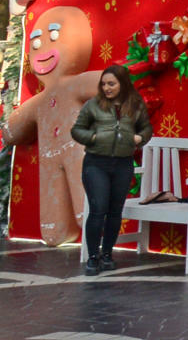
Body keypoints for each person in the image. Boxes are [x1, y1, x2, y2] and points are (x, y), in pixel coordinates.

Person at [69, 64, 153, 274]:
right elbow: (77, 130)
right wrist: (94, 137)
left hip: (122, 164)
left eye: (111, 84)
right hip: (96, 163)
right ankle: (93, 257)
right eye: (104, 84)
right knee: (98, 210)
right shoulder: (93, 105)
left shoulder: (135, 105)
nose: (107, 88)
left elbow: (146, 128)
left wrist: (140, 138)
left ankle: (107, 253)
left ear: (122, 84)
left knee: (115, 211)